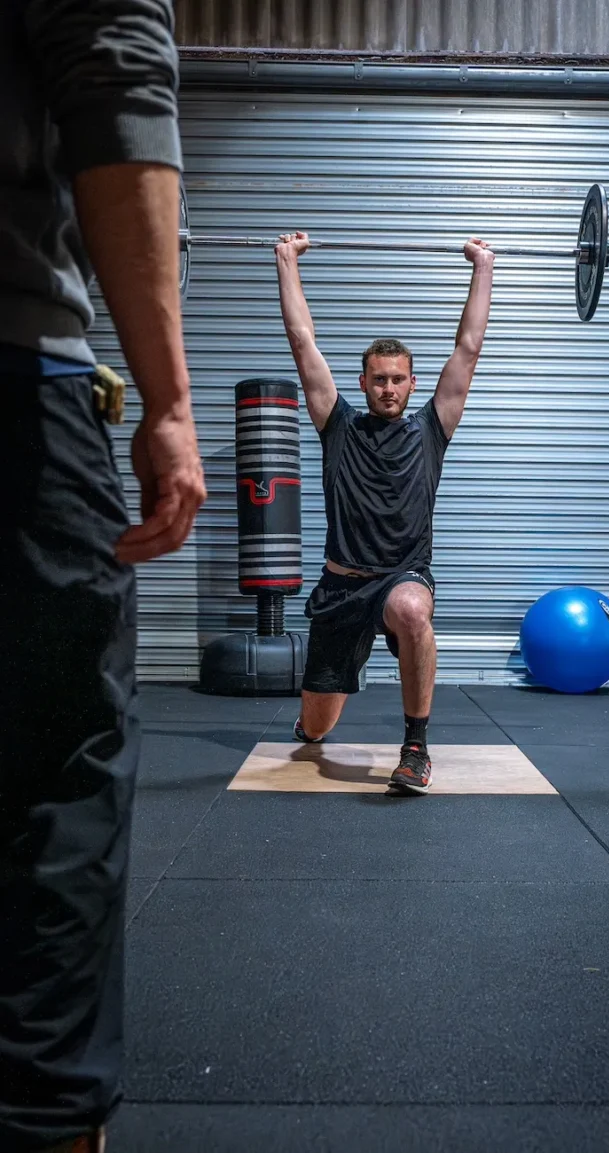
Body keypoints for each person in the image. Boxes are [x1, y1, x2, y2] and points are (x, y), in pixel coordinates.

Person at [0, 3, 206, 1151]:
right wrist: (168, 404)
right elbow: (115, 76)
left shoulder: (426, 422)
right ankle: (49, 1127)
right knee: (57, 763)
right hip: (17, 365)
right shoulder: (342, 417)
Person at [275, 230, 494, 794]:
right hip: (342, 586)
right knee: (318, 724)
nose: (389, 388)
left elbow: (467, 348)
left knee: (413, 609)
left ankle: (416, 748)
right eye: (380, 379)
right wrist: (286, 259)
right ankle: (313, 716)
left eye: (399, 379)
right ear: (364, 383)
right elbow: (303, 342)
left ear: (412, 383)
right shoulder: (338, 426)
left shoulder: (431, 429)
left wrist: (483, 266)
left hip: (402, 576)